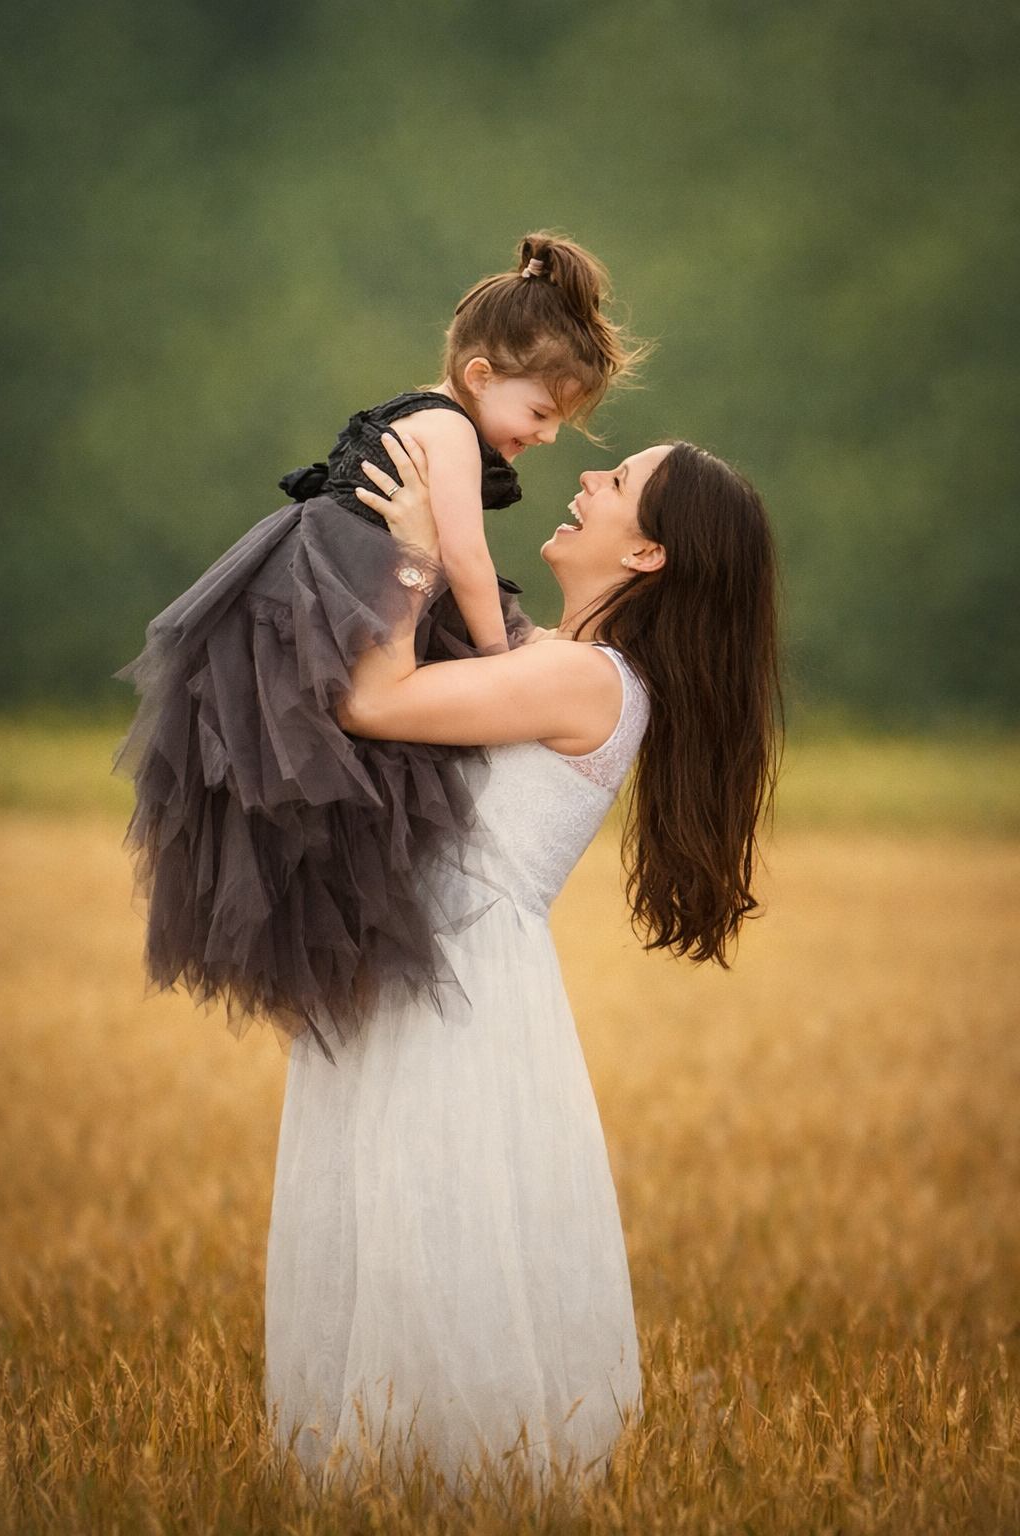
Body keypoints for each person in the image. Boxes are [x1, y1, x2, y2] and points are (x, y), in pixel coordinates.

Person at [265, 430, 782, 1481]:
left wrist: (409, 554)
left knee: (432, 1217)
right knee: (405, 1215)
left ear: (646, 555)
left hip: (456, 978)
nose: (587, 481)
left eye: (619, 480)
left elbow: (374, 703)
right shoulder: (548, 658)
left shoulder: (587, 679)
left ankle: (446, 1475)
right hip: (433, 962)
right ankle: (402, 1472)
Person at [113, 234, 641, 1051]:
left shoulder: (417, 409)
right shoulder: (454, 432)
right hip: (352, 592)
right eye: (541, 414)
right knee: (398, 744)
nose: (546, 438)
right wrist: (499, 655)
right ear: (480, 378)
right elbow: (462, 555)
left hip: (311, 593)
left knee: (351, 766)